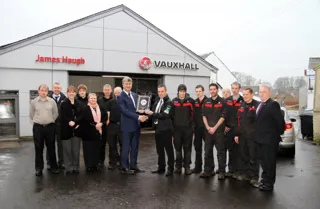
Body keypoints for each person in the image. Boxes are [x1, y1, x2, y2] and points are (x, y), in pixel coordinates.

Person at [254, 84, 285, 191]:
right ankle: (264, 180)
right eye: (260, 92)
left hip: (269, 140)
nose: (261, 94)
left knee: (269, 163)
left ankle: (269, 184)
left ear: (269, 93)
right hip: (260, 140)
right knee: (264, 163)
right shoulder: (260, 104)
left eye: (264, 92)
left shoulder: (273, 104)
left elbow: (280, 122)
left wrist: (276, 134)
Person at [117, 77, 147, 175]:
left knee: (135, 147)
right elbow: (124, 111)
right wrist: (138, 117)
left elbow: (137, 108)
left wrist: (142, 111)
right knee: (126, 147)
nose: (128, 85)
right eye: (126, 84)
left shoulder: (134, 95)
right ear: (123, 85)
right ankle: (124, 167)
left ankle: (133, 165)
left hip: (136, 126)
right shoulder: (120, 96)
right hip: (126, 127)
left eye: (130, 84)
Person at [29, 84, 59, 176]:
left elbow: (55, 113)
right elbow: (31, 114)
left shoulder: (52, 101)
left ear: (47, 92)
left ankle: (54, 167)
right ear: (38, 91)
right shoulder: (34, 102)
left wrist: (50, 120)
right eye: (42, 90)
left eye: (45, 91)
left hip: (50, 127)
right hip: (38, 128)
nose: (43, 92)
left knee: (51, 148)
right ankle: (39, 169)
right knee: (38, 148)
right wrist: (39, 121)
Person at [145, 84, 175, 177]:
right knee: (159, 150)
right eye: (159, 91)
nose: (160, 93)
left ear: (166, 91)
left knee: (169, 150)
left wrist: (152, 113)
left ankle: (170, 169)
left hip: (166, 130)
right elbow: (153, 112)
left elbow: (164, 115)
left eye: (162, 91)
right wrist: (146, 116)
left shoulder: (169, 103)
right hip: (158, 129)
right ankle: (161, 168)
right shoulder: (157, 100)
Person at [200, 83, 227, 180]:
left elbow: (223, 117)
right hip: (208, 132)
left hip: (219, 131)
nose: (212, 91)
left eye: (214, 89)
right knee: (207, 151)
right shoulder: (206, 101)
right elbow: (203, 116)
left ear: (217, 90)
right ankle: (208, 170)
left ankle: (221, 171)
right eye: (210, 89)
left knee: (220, 152)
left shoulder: (223, 102)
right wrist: (207, 127)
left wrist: (214, 128)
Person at [234, 88, 260, 184]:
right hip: (242, 135)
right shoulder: (241, 105)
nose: (245, 96)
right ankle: (246, 174)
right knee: (243, 155)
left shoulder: (257, 105)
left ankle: (254, 176)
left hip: (253, 136)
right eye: (243, 94)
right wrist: (236, 134)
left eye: (247, 94)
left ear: (252, 94)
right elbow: (238, 121)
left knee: (253, 156)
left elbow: (260, 121)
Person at [171, 84, 194, 175]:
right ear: (178, 91)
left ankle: (187, 167)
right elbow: (171, 115)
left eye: (184, 91)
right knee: (178, 149)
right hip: (176, 130)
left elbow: (194, 115)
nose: (182, 93)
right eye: (180, 91)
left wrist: (192, 127)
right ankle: (178, 167)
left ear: (185, 91)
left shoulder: (191, 101)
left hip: (187, 130)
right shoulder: (174, 101)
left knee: (187, 149)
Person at [59, 85, 83, 174]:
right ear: (67, 93)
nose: (71, 93)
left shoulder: (79, 103)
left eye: (73, 92)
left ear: (75, 93)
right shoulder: (63, 103)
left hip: (77, 130)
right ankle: (69, 167)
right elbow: (62, 116)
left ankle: (76, 167)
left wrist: (76, 123)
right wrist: (69, 121)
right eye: (70, 91)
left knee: (76, 150)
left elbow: (81, 116)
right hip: (66, 130)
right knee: (67, 150)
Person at [81, 93, 107, 172]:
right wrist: (96, 124)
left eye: (94, 98)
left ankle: (95, 164)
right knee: (88, 149)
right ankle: (89, 165)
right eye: (91, 98)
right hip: (88, 133)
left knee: (96, 149)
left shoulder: (101, 108)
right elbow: (85, 119)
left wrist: (101, 123)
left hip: (98, 132)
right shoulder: (85, 108)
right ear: (88, 99)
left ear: (96, 99)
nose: (93, 100)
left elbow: (105, 117)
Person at [224, 82, 244, 178]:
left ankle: (239, 171)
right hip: (229, 130)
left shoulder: (243, 100)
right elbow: (224, 114)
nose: (234, 90)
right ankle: (231, 170)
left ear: (239, 89)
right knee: (231, 150)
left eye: (236, 88)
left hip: (239, 130)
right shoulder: (227, 100)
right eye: (233, 88)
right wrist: (224, 125)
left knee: (239, 151)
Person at [47, 82, 66, 170]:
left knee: (60, 144)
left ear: (60, 89)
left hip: (60, 125)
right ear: (53, 88)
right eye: (55, 88)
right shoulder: (47, 98)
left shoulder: (64, 99)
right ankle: (49, 162)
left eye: (58, 88)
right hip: (50, 125)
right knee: (50, 144)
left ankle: (61, 162)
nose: (57, 89)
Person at [192, 85, 207, 174]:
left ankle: (208, 169)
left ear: (203, 91)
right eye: (196, 91)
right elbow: (193, 115)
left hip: (206, 129)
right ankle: (198, 168)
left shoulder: (208, 101)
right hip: (197, 129)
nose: (198, 93)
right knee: (198, 149)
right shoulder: (195, 102)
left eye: (199, 91)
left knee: (207, 150)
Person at [106, 86, 122, 170]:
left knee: (123, 145)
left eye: (119, 92)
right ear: (114, 93)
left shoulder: (125, 102)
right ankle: (113, 163)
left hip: (122, 126)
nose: (117, 94)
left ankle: (123, 163)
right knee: (112, 145)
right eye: (116, 93)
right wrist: (107, 121)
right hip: (112, 125)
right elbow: (107, 113)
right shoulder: (110, 102)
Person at [97, 84, 113, 167]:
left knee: (111, 144)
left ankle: (112, 162)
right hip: (102, 125)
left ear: (111, 90)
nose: (107, 91)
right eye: (105, 90)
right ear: (103, 91)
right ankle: (100, 161)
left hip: (111, 126)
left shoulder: (114, 99)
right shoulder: (99, 100)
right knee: (101, 144)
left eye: (108, 89)